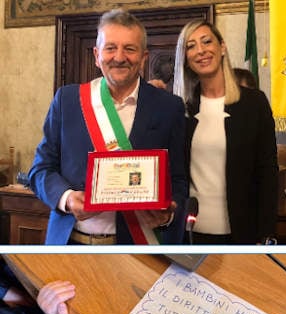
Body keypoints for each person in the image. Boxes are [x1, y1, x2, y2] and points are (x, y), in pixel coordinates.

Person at [30, 9, 187, 245]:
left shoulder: (169, 107)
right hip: (70, 243)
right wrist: (67, 198)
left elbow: (179, 179)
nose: (119, 57)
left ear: (144, 57)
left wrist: (168, 214)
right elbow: (40, 170)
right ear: (96, 54)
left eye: (130, 49)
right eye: (110, 48)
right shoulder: (67, 100)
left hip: (137, 248)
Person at [172, 20, 278, 244]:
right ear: (185, 58)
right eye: (190, 46)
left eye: (206, 41)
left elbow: (267, 171)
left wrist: (266, 233)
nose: (200, 51)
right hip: (190, 233)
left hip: (242, 231)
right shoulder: (179, 107)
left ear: (222, 47)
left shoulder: (254, 103)